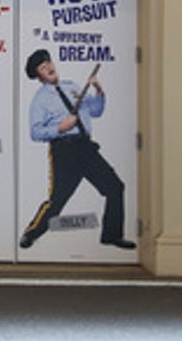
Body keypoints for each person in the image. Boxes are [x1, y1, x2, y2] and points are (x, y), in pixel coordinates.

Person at [19, 49, 135, 251]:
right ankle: (31, 233)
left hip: (86, 148)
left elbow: (96, 111)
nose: (50, 68)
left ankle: (112, 235)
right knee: (57, 202)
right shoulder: (40, 100)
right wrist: (60, 127)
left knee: (115, 188)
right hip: (64, 152)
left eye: (49, 63)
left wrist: (99, 91)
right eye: (43, 67)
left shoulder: (72, 87)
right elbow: (35, 132)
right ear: (39, 76)